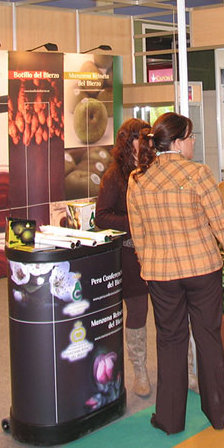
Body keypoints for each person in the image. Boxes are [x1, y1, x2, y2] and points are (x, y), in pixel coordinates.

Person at [127, 112, 224, 435]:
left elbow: (139, 235)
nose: (194, 142)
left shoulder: (138, 179)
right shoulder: (198, 174)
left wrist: (149, 269)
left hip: (161, 275)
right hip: (203, 270)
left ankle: (170, 419)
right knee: (209, 338)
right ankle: (217, 413)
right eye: (190, 137)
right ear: (175, 143)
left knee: (170, 342)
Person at [94, 118, 152, 397]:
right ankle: (139, 370)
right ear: (129, 142)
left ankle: (183, 369)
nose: (148, 142)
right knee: (138, 311)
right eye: (142, 137)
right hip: (130, 253)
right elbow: (101, 217)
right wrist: (136, 221)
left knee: (169, 310)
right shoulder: (114, 175)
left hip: (158, 249)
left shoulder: (152, 169)